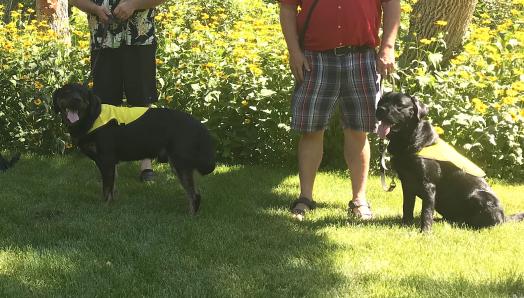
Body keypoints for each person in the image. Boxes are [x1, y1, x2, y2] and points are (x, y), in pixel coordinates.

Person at [279, 0, 401, 220]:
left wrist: (388, 47)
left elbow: (391, 3)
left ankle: (359, 200)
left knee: (358, 130)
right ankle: (305, 198)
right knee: (311, 130)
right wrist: (294, 52)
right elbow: (287, 8)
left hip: (363, 57)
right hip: (313, 58)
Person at [70, 0, 165, 182]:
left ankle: (146, 165)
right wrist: (96, 9)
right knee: (104, 103)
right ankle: (109, 164)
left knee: (141, 101)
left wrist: (134, 4)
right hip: (103, 39)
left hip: (139, 38)